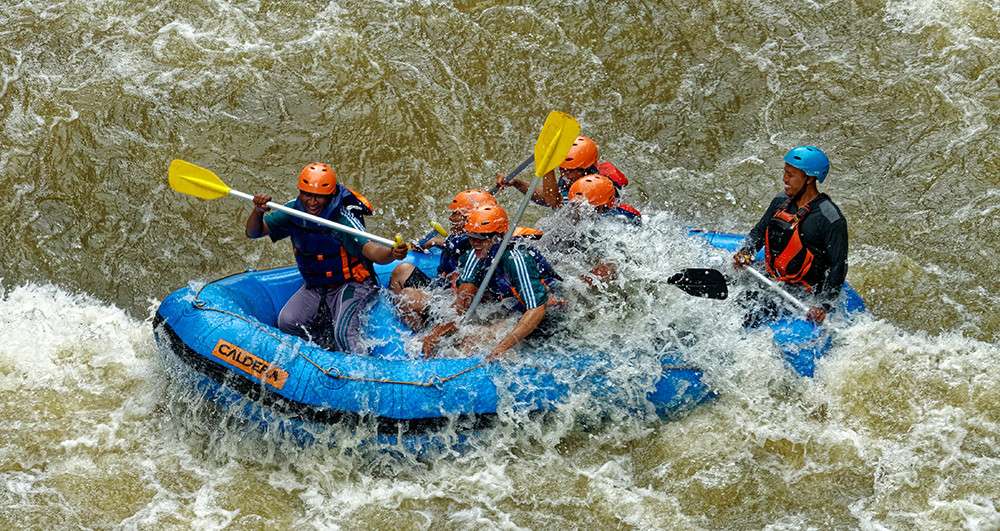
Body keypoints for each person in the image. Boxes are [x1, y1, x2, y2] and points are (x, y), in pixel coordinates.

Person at [246, 162, 408, 351]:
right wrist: (258, 211)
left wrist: (392, 253)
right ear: (300, 192)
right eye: (307, 195)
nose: (312, 202)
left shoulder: (343, 218)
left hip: (353, 284)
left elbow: (372, 251)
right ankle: (324, 352)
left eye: (319, 197)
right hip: (317, 286)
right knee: (287, 322)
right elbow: (254, 232)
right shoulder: (293, 210)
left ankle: (357, 363)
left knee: (344, 333)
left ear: (330, 195)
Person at [421, 205, 560, 360]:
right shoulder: (476, 254)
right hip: (510, 306)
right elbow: (462, 303)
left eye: (481, 238)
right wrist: (435, 334)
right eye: (471, 237)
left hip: (544, 312)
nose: (475, 243)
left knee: (471, 342)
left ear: (499, 236)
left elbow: (537, 309)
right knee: (459, 338)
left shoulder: (516, 258)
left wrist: (500, 348)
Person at [732, 146, 848, 325]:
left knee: (746, 311)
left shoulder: (830, 218)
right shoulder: (781, 201)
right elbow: (758, 232)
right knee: (727, 285)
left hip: (803, 291)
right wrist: (747, 251)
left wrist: (823, 305)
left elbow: (838, 266)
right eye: (785, 172)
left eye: (791, 175)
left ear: (809, 178)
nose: (785, 179)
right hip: (773, 275)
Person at [388, 189, 499, 329]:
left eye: (456, 214)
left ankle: (423, 333)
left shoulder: (478, 250)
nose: (450, 219)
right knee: (402, 270)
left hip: (455, 303)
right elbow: (454, 246)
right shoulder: (464, 239)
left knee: (407, 296)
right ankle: (408, 323)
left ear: (470, 219)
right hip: (443, 289)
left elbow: (463, 299)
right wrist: (433, 242)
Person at [496, 135, 630, 209]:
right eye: (563, 169)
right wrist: (517, 183)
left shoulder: (596, 185)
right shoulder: (569, 177)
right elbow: (547, 198)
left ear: (587, 168)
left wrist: (547, 168)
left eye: (572, 171)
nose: (566, 174)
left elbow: (555, 203)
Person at [564, 174, 642, 285]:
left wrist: (576, 284)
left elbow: (614, 262)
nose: (578, 210)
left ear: (600, 207)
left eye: (584, 207)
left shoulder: (614, 224)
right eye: (574, 205)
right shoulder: (574, 213)